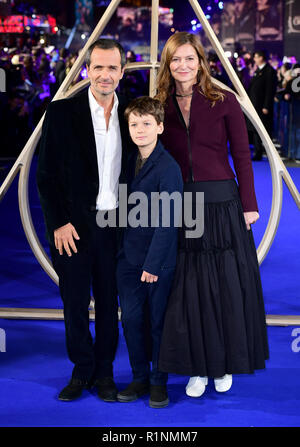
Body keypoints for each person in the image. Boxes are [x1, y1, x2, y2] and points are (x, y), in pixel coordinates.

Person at [156, 32, 269, 398]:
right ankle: (196, 368)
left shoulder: (225, 100)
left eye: (189, 59)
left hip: (222, 203)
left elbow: (242, 154)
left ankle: (222, 364)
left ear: (201, 62)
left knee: (223, 288)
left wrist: (249, 204)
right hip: (181, 205)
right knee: (187, 291)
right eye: (176, 60)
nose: (183, 66)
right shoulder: (160, 104)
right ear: (168, 64)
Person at [36, 39, 133, 402]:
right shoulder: (61, 112)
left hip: (116, 228)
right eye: (98, 67)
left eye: (112, 68)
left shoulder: (131, 116)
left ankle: (105, 372)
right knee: (74, 301)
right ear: (86, 70)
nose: (105, 75)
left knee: (110, 303)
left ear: (122, 72)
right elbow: (45, 176)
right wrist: (59, 222)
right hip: (73, 228)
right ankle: (81, 369)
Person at [116, 96, 183, 408]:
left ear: (159, 126)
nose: (139, 129)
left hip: (157, 262)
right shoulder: (128, 160)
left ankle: (159, 381)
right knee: (130, 320)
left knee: (156, 323)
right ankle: (139, 376)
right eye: (134, 124)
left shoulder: (168, 168)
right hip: (128, 259)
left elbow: (169, 222)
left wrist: (153, 264)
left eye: (146, 123)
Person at [247, 49, 277, 160]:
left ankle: (268, 153)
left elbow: (270, 90)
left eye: (255, 57)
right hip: (255, 105)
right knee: (256, 130)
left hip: (262, 107)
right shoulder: (258, 70)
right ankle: (257, 152)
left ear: (261, 58)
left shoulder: (269, 71)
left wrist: (266, 106)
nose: (254, 59)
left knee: (264, 131)